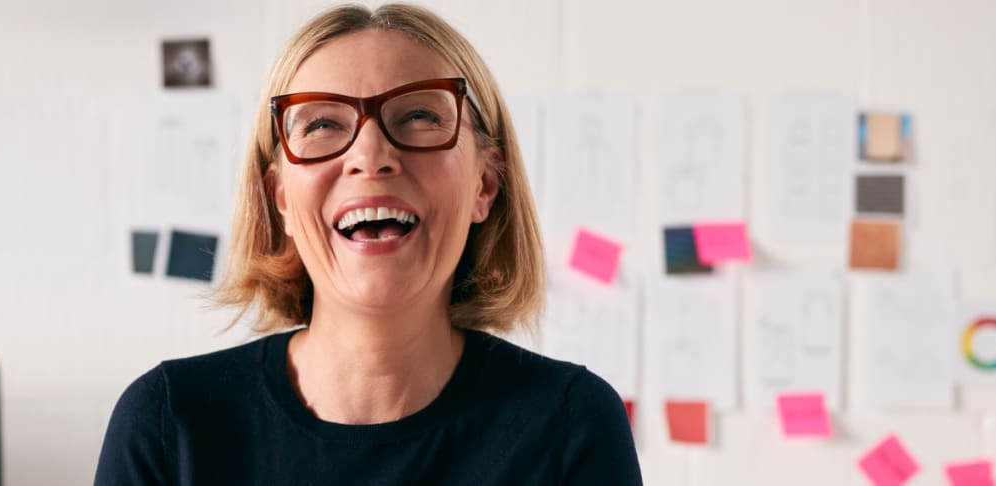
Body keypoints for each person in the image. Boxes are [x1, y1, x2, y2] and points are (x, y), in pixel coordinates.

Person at [96, 4, 642, 485]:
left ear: (485, 185)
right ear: (280, 195)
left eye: (421, 116)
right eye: (322, 125)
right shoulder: (170, 424)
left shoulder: (572, 424)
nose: (371, 153)